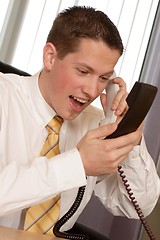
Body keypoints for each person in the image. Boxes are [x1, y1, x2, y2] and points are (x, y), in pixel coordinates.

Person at [0, 5, 159, 240]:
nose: (93, 90)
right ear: (50, 57)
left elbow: (137, 206)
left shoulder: (96, 125)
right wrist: (77, 164)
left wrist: (129, 137)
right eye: (83, 71)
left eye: (104, 78)